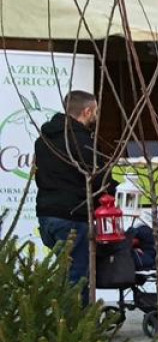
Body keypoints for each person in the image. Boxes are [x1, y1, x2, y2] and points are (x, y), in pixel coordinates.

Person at [34, 89, 113, 292]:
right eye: (94, 112)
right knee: (78, 281)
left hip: (46, 216)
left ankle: (60, 319)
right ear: (87, 111)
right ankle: (77, 323)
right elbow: (101, 180)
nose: (95, 116)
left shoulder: (43, 141)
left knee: (64, 273)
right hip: (73, 216)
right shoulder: (83, 142)